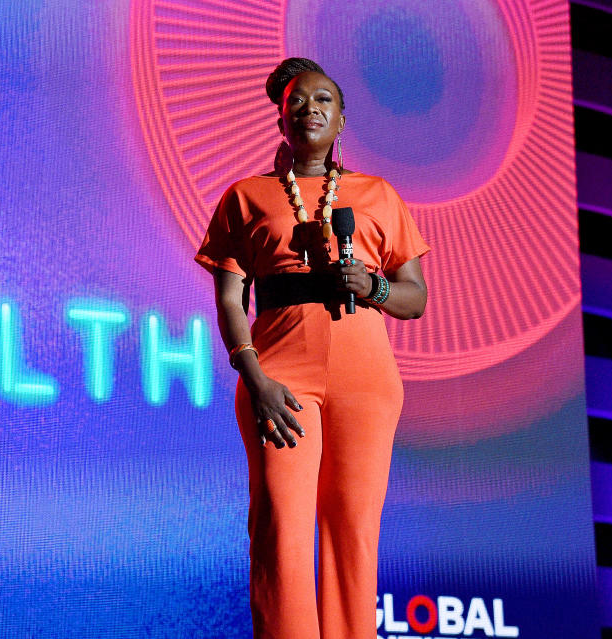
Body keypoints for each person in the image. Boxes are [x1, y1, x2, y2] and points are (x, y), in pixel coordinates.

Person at [194, 58, 429, 639]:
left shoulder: (378, 194)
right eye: (296, 102)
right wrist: (255, 378)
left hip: (366, 379)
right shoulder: (245, 196)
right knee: (282, 526)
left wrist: (373, 286)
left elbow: (414, 296)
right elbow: (230, 301)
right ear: (281, 120)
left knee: (353, 529)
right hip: (278, 378)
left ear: (342, 118)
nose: (310, 109)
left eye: (323, 100)